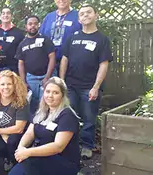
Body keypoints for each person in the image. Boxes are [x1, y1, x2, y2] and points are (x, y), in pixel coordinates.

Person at [59, 4, 112, 159]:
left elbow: (104, 64)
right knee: (69, 116)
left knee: (89, 119)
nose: (85, 15)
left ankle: (87, 146)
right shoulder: (72, 38)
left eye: (89, 12)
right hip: (71, 86)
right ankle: (69, 145)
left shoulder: (102, 40)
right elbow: (64, 59)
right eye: (82, 13)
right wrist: (62, 81)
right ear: (79, 18)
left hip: (89, 87)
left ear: (96, 15)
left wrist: (96, 87)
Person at [8, 77, 80, 175]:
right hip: (41, 156)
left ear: (63, 95)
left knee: (25, 167)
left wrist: (28, 152)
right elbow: (29, 133)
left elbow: (58, 146)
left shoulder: (67, 115)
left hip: (62, 161)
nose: (50, 95)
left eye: (55, 93)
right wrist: (21, 149)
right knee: (23, 166)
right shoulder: (42, 112)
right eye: (48, 91)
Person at [0, 70, 30, 171]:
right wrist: (2, 134)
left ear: (14, 85)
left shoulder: (21, 101)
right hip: (1, 135)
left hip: (17, 136)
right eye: (2, 84)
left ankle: (16, 166)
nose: (6, 87)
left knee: (12, 141)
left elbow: (19, 128)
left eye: (9, 84)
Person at [17, 15, 56, 114]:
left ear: (39, 26)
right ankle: (34, 126)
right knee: (33, 105)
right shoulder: (22, 44)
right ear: (26, 27)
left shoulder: (45, 40)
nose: (33, 26)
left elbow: (52, 57)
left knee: (49, 102)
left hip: (48, 76)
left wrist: (47, 76)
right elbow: (20, 63)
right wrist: (23, 81)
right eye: (30, 24)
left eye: (35, 24)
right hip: (31, 78)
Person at [39, 0, 81, 75]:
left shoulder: (78, 16)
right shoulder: (49, 17)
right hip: (48, 62)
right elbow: (41, 36)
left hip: (70, 63)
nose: (61, 0)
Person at [0, 7, 25, 77]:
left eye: (8, 13)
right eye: (3, 13)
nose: (5, 15)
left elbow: (23, 52)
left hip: (14, 68)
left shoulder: (19, 33)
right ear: (0, 16)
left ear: (11, 16)